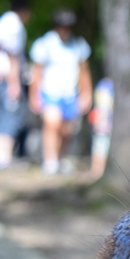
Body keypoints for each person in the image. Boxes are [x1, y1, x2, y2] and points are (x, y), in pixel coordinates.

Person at [29, 9, 92, 175]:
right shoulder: (45, 44)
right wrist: (34, 96)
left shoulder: (78, 45)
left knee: (67, 130)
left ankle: (60, 158)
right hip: (50, 92)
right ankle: (50, 162)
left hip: (70, 93)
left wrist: (86, 94)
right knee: (52, 123)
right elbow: (36, 72)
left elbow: (84, 71)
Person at [0, 0, 32, 169]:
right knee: (10, 116)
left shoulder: (2, 23)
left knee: (1, 116)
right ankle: (2, 158)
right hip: (7, 78)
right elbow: (13, 54)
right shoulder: (14, 25)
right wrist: (14, 83)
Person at [88, 77, 114, 178]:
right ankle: (96, 170)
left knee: (101, 146)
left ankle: (98, 170)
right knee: (100, 146)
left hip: (105, 125)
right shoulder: (104, 86)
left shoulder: (103, 85)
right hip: (102, 125)